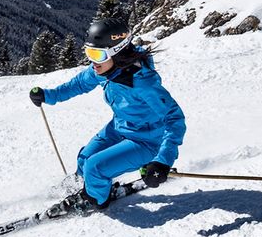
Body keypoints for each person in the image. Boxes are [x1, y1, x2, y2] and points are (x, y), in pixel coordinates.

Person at [29, 18, 186, 214]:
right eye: (89, 52)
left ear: (117, 52)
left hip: (147, 141)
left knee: (94, 167)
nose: (93, 62)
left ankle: (94, 200)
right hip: (120, 127)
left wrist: (163, 160)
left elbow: (174, 118)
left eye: (97, 54)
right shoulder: (104, 69)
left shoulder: (142, 83)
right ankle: (91, 185)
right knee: (85, 159)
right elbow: (78, 84)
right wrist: (49, 95)